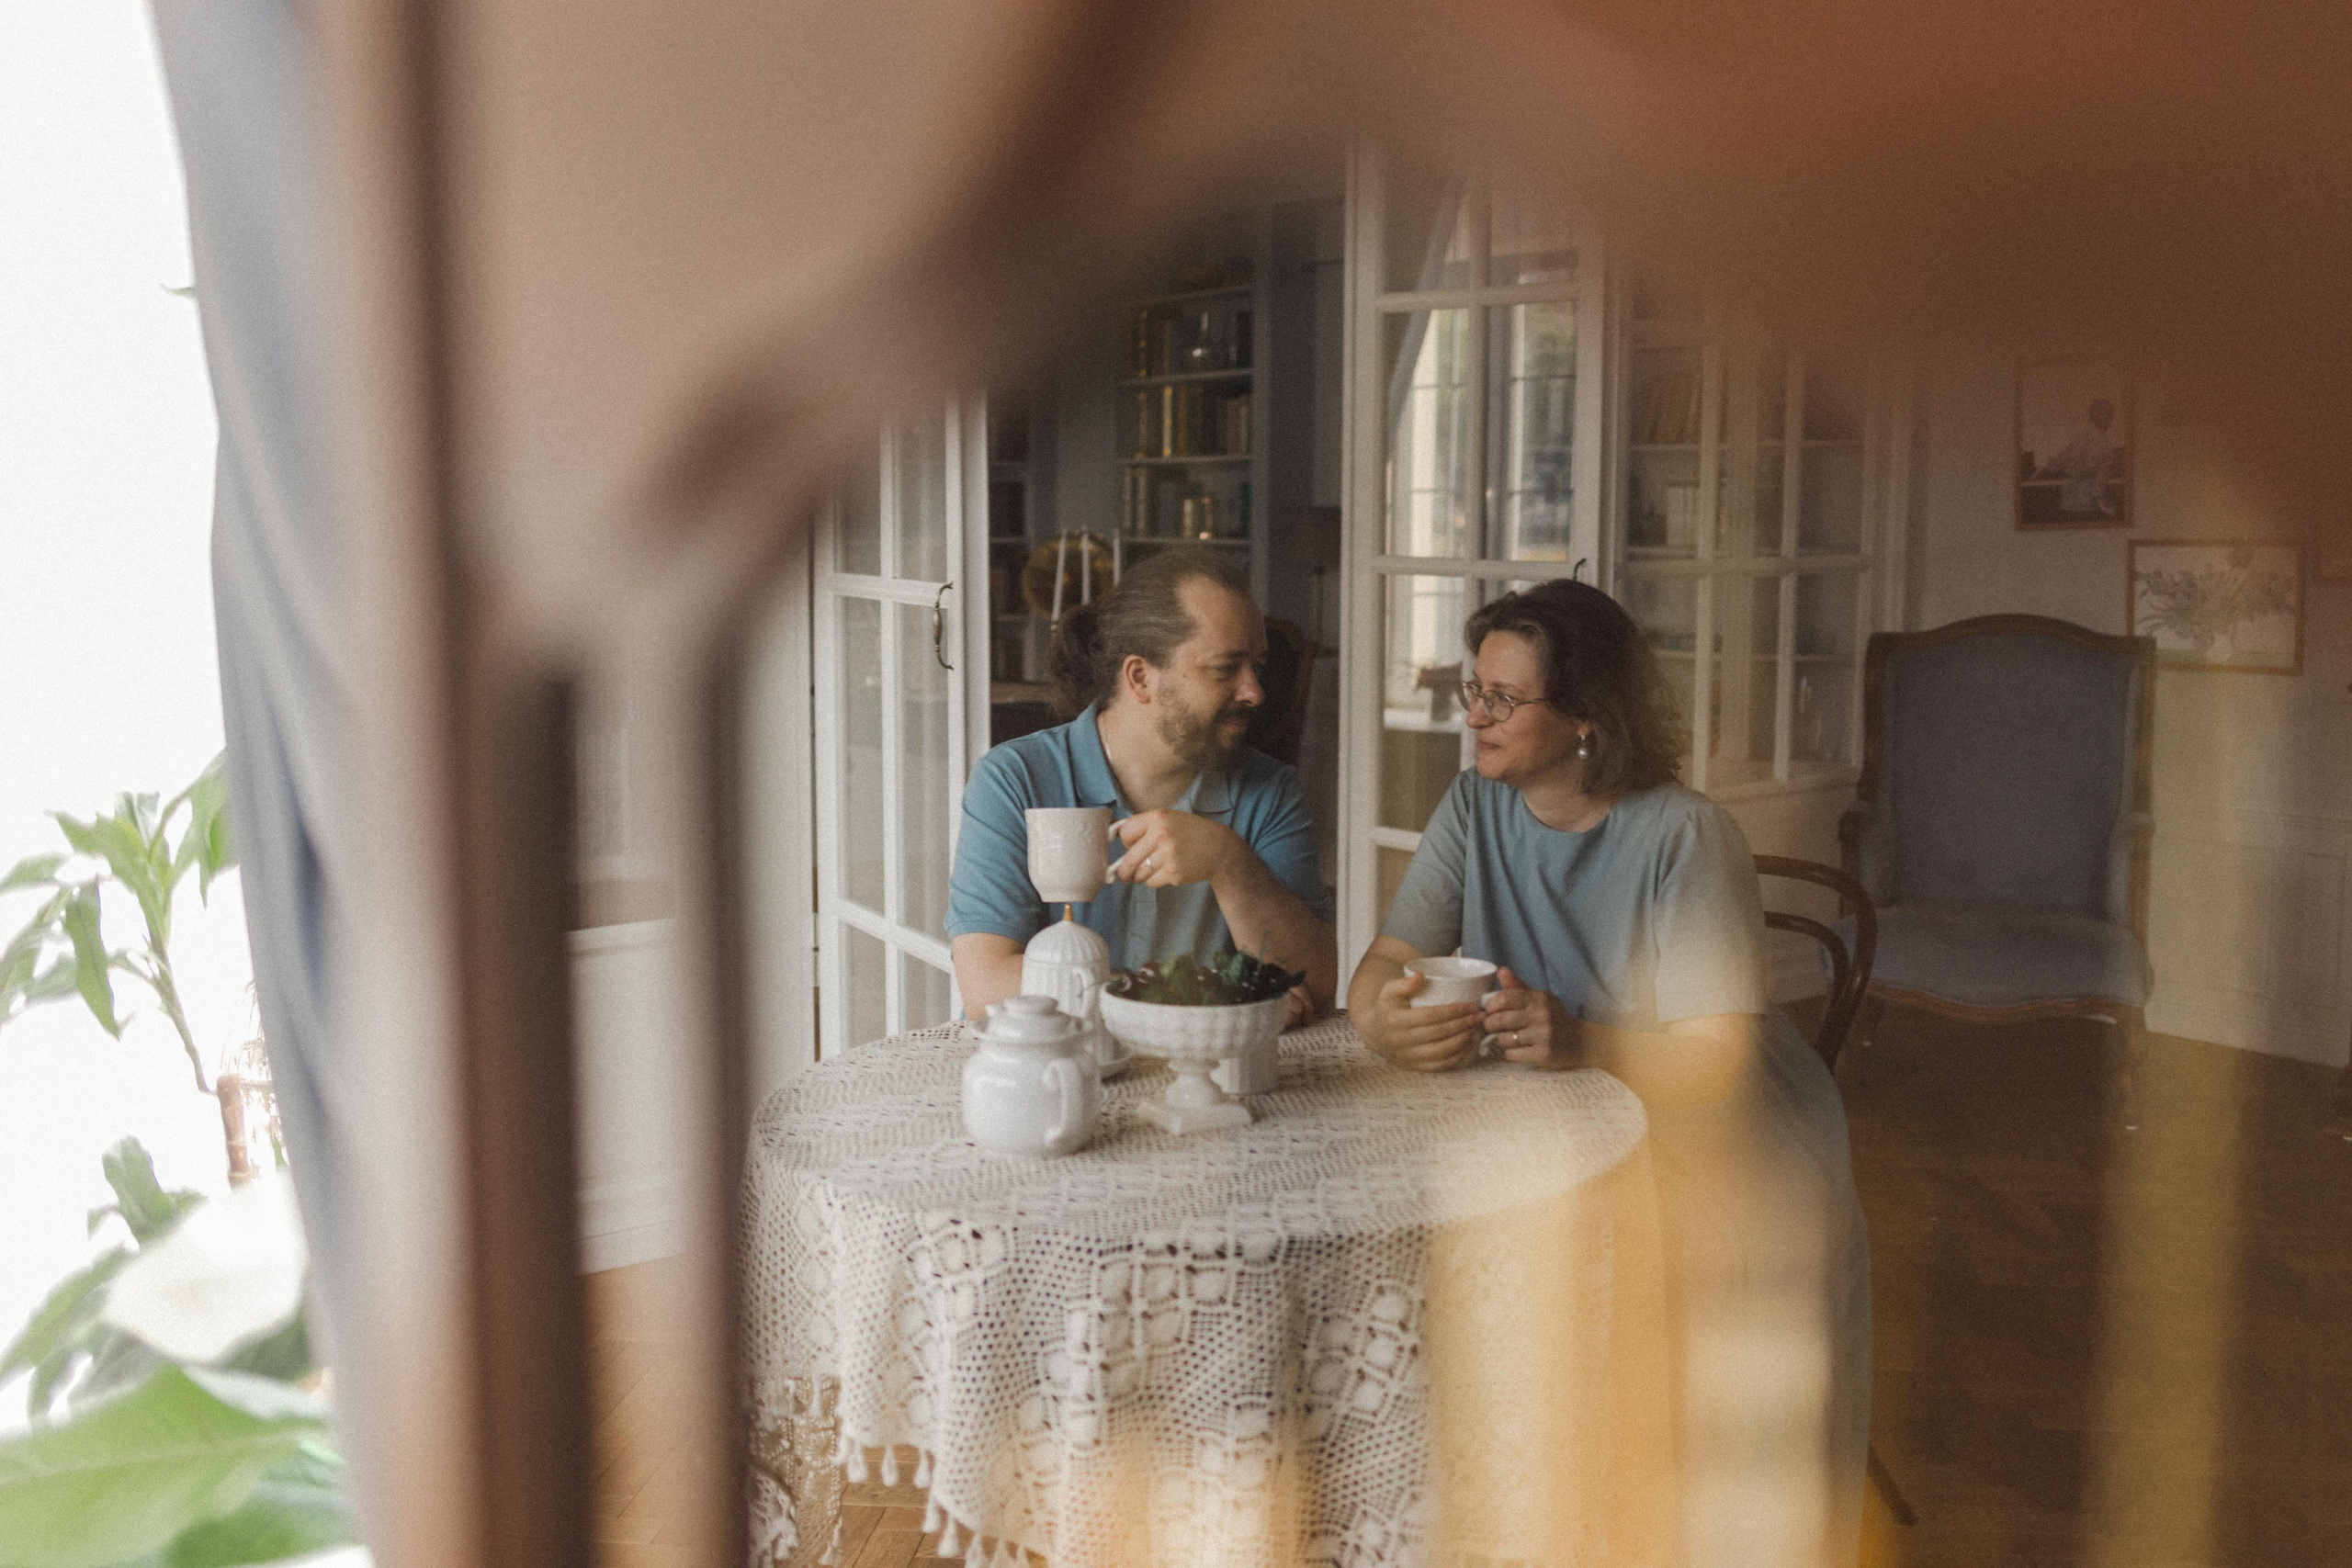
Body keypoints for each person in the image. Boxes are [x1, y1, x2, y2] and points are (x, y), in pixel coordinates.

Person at [1346, 579, 1871, 1568]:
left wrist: (1582, 1039)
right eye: (1473, 688)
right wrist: (1383, 1024)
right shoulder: (1473, 803)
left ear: (1587, 718)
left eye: (1504, 698)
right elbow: (1382, 966)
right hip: (1547, 1107)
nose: (1475, 716)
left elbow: (1714, 1067)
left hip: (1718, 1126)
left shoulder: (1685, 835)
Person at [947, 548, 1336, 1021]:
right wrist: (1193, 995)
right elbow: (986, 987)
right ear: (1140, 677)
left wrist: (1229, 862)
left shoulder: (1271, 790)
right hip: (1057, 1076)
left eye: (1257, 665)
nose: (1255, 691)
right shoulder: (1014, 779)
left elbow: (1312, 985)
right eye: (1225, 669)